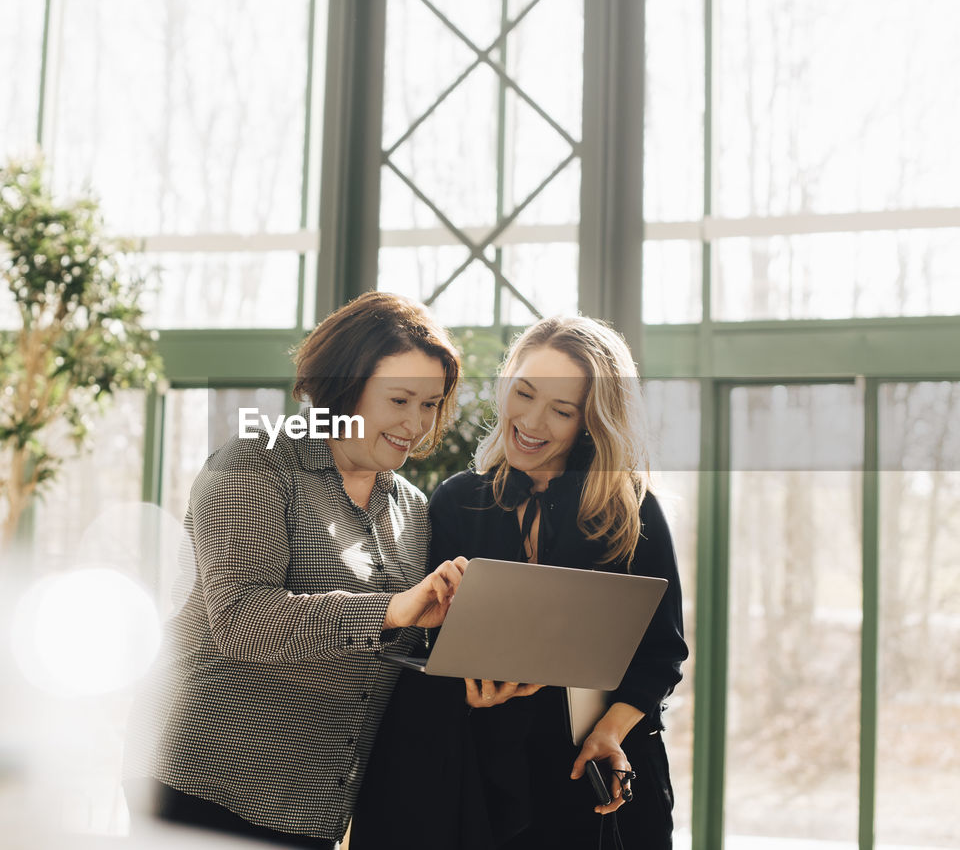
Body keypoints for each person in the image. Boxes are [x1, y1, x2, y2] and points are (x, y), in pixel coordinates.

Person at [123, 291, 468, 848]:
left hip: (311, 804)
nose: (417, 425)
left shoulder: (412, 509)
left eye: (430, 405)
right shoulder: (254, 464)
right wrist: (392, 609)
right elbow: (241, 620)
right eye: (400, 399)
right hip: (205, 782)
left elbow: (394, 648)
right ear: (345, 386)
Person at [351, 316, 688, 850]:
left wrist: (610, 731)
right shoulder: (456, 501)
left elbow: (662, 655)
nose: (532, 421)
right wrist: (464, 691)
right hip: (484, 775)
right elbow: (426, 643)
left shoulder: (631, 512)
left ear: (591, 421)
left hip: (593, 772)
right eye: (524, 394)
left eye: (561, 410)